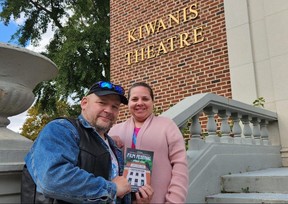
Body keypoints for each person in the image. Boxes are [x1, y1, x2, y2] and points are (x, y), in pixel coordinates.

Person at [21, 81, 152, 203]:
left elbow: (118, 188)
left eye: (114, 107)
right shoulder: (62, 129)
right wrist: (111, 188)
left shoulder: (113, 146)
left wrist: (135, 198)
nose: (109, 110)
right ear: (84, 103)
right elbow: (52, 177)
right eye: (102, 103)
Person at [109, 82, 189, 203]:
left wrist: (174, 200)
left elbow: (180, 165)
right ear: (128, 103)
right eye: (134, 99)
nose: (139, 103)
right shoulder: (115, 130)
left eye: (145, 98)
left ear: (152, 102)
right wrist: (109, 141)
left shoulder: (167, 126)